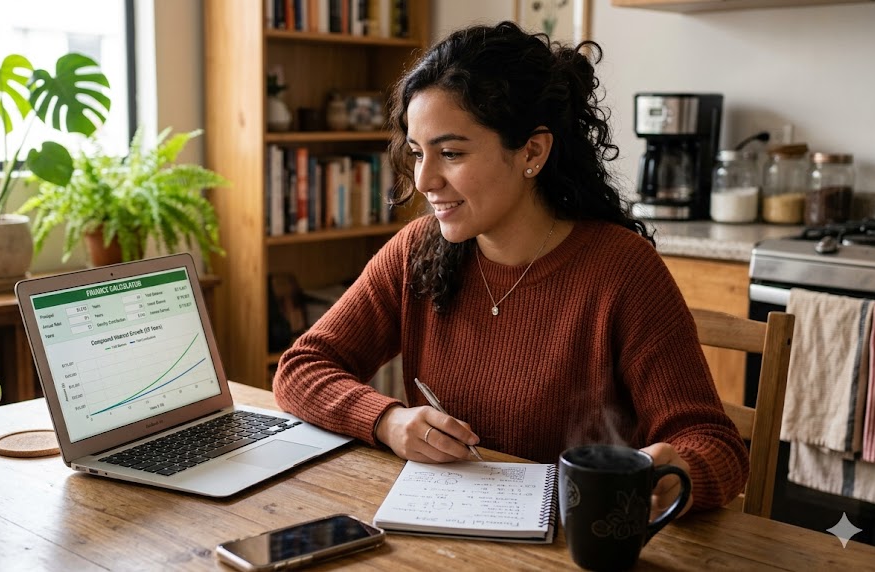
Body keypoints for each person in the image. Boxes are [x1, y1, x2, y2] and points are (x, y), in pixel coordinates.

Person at [273, 21, 748, 517]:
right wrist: (387, 421)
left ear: (532, 152)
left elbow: (715, 445)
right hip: (444, 537)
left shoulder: (621, 271)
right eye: (417, 153)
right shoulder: (417, 250)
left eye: (451, 153)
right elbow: (302, 369)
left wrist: (676, 473)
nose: (424, 179)